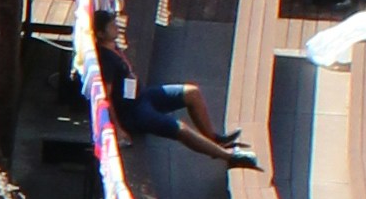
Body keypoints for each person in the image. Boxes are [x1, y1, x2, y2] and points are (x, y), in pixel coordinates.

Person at [96, 24, 252, 167]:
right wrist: (118, 128)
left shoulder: (114, 47)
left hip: (143, 96)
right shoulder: (106, 60)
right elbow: (106, 96)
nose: (116, 26)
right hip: (133, 112)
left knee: (192, 93)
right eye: (110, 25)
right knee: (181, 128)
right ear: (101, 33)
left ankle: (214, 140)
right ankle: (229, 156)